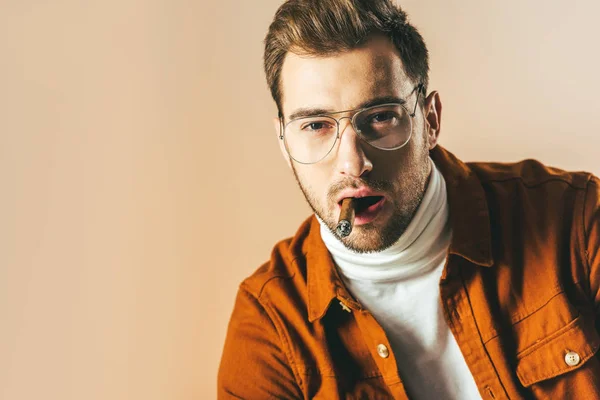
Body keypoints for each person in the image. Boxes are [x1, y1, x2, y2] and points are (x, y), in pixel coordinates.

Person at [217, 0, 600, 398]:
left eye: (381, 116)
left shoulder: (576, 220)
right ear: (284, 141)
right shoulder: (270, 325)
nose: (353, 163)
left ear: (430, 120)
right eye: (316, 125)